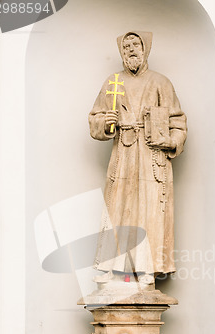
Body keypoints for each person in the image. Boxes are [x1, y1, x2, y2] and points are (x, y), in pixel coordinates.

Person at [89, 31, 187, 285]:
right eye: (126, 46)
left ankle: (147, 270)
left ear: (146, 49)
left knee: (150, 209)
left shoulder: (160, 83)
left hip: (152, 157)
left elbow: (178, 123)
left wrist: (170, 140)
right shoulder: (113, 83)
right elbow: (96, 119)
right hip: (123, 153)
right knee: (119, 207)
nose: (131, 50)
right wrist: (106, 123)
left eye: (136, 45)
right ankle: (111, 268)